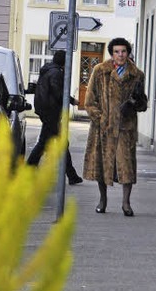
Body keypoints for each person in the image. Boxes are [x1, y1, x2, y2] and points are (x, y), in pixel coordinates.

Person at [82, 37, 148, 217]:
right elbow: (89, 101)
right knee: (102, 166)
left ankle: (126, 203)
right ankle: (102, 200)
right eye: (117, 51)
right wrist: (100, 117)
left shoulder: (137, 75)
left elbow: (143, 103)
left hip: (125, 128)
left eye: (124, 51)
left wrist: (136, 103)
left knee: (126, 167)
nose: (120, 55)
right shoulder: (100, 71)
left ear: (128, 53)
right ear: (112, 53)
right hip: (103, 128)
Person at [27, 49, 83, 185]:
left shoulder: (47, 70)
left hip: (46, 111)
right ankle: (29, 169)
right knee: (52, 144)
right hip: (51, 112)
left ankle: (71, 175)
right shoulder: (56, 73)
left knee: (52, 143)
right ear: (65, 61)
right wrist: (72, 101)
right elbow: (58, 93)